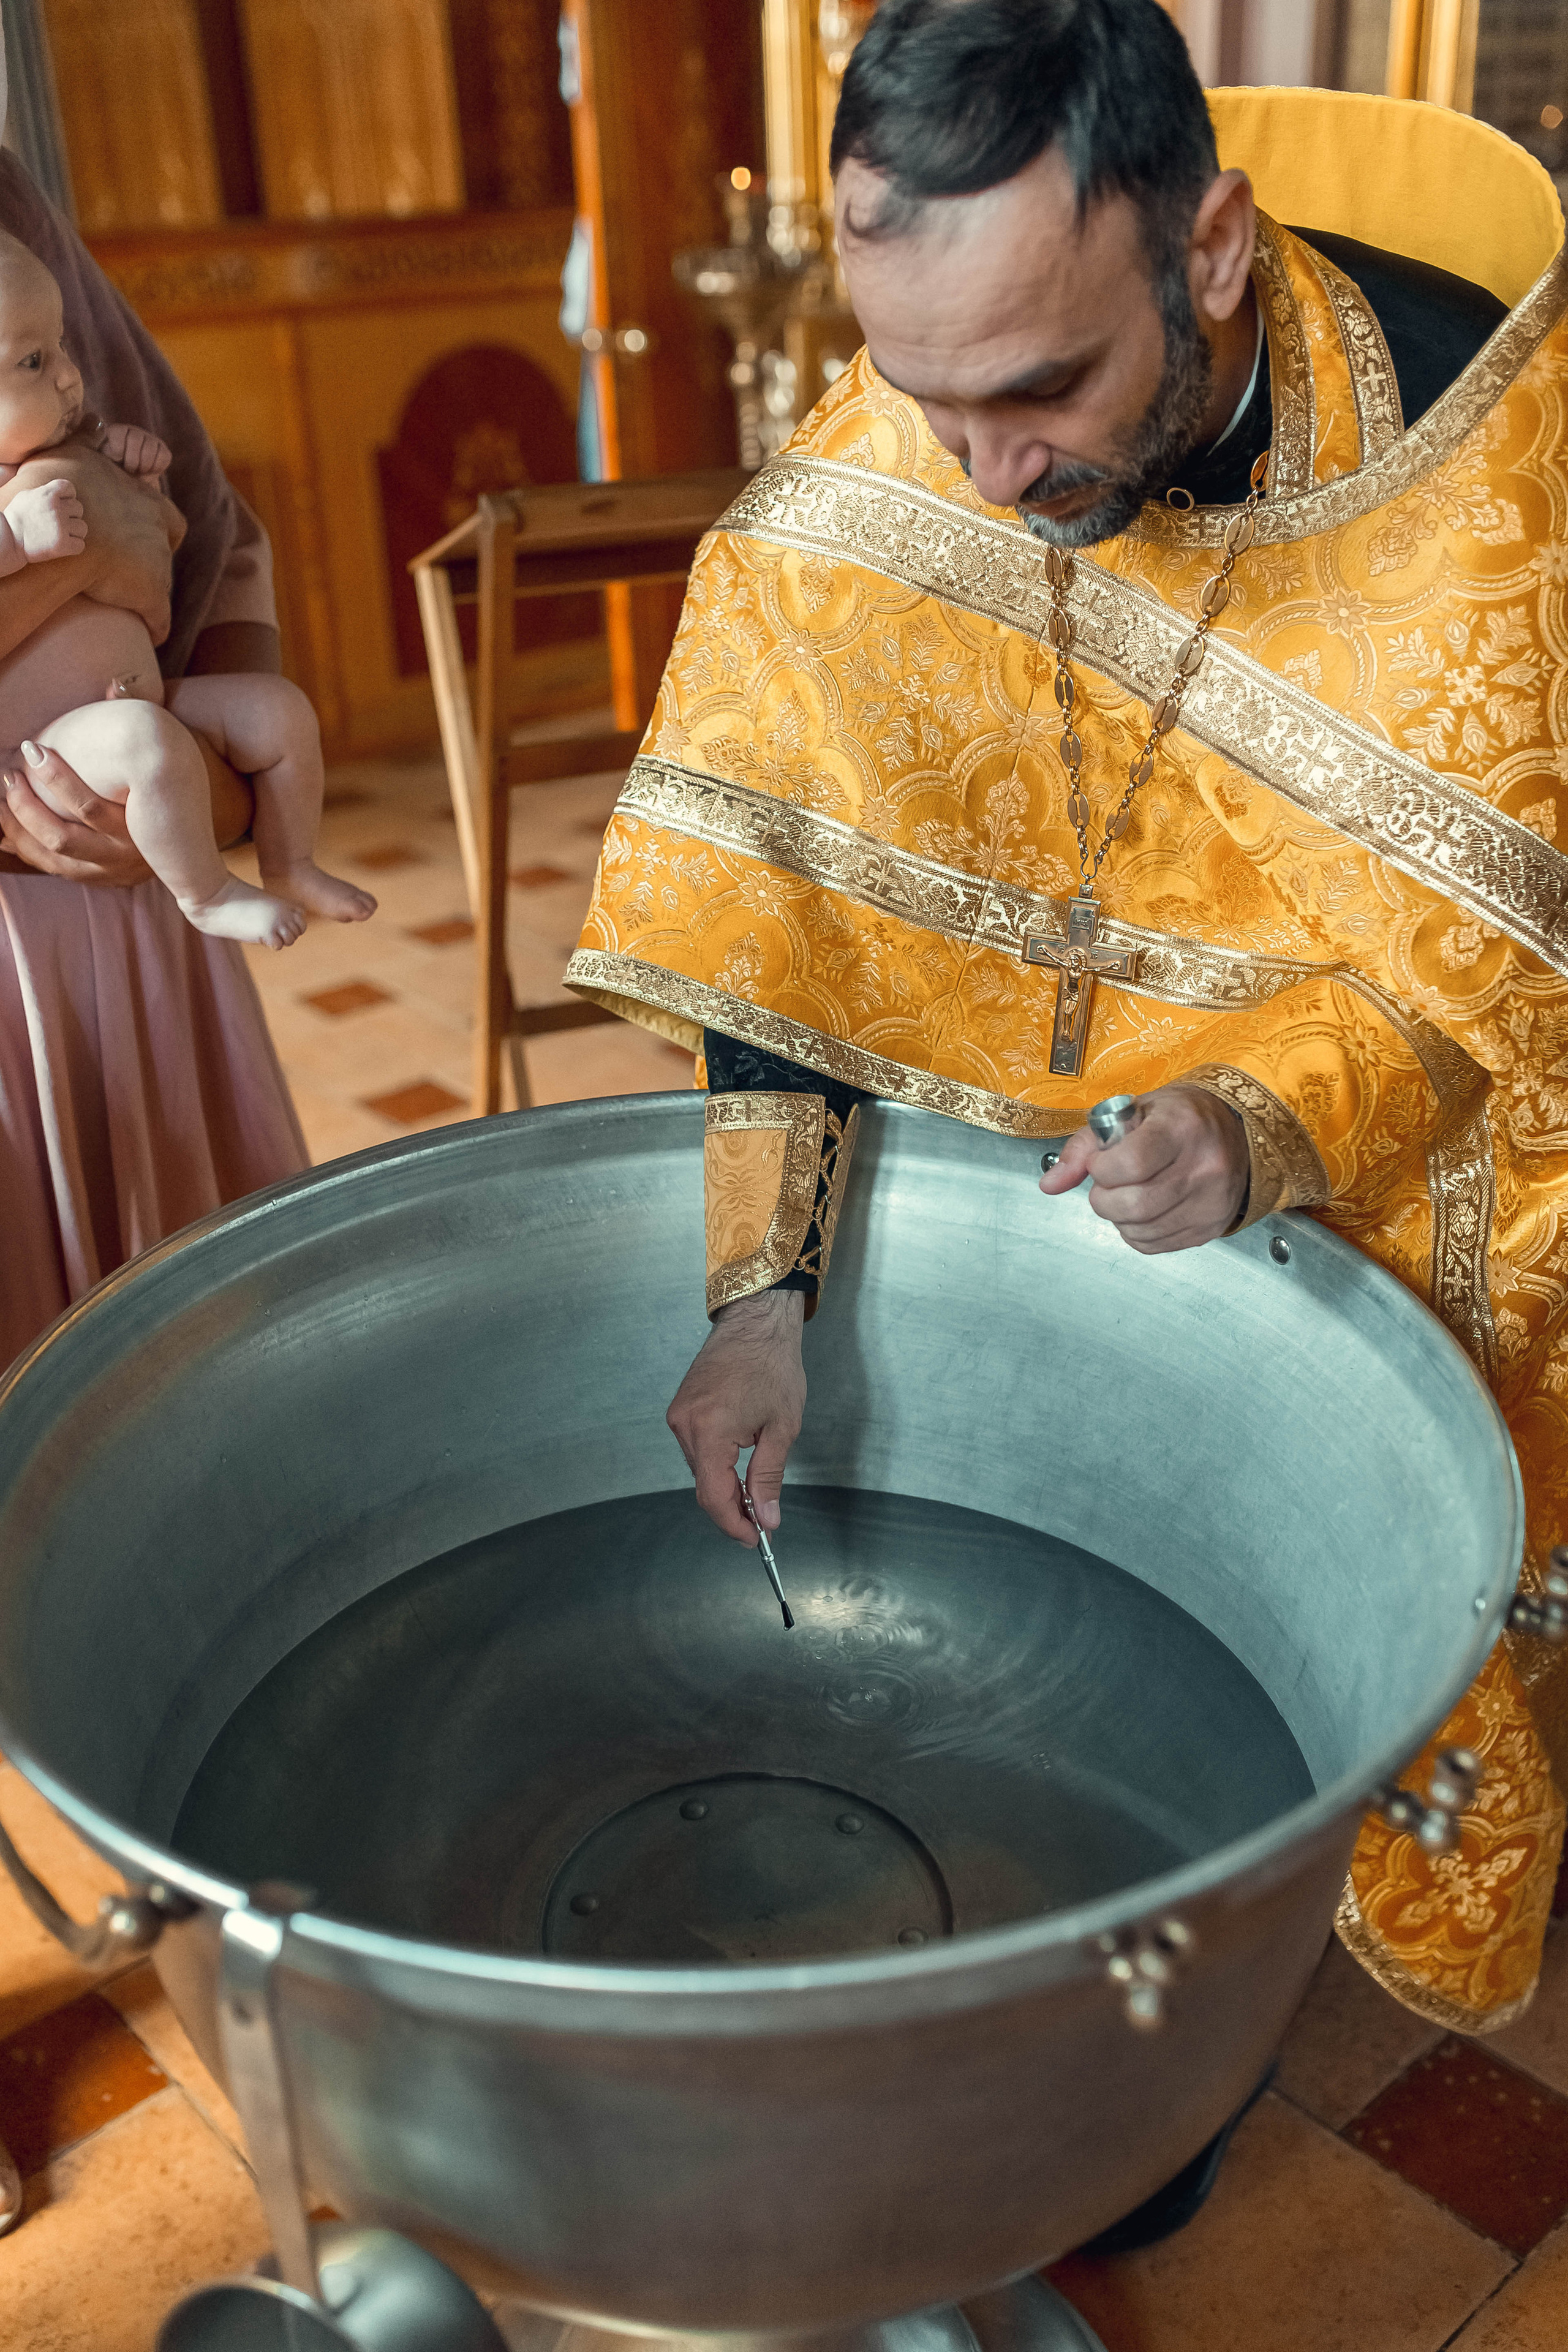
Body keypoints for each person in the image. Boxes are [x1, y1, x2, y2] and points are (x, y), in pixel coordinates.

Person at [567, 0, 1568, 2046]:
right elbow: (786, 900)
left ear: (1213, 249)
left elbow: (1507, 988)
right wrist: (762, 1298)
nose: (990, 477)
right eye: (926, 396)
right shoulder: (920, 433)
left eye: (1041, 390)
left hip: (1365, 1189)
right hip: (1013, 1199)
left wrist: (1261, 1120)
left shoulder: (1492, 476)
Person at [0, 145, 307, 1371]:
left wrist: (209, 786)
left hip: (132, 918)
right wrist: (80, 556)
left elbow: (213, 536)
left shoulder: (7, 200)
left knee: (190, 1367)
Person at [0, 235, 374, 949]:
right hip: (46, 745)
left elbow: (160, 534)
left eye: (61, 345)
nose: (71, 377)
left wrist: (134, 477)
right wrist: (15, 539)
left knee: (280, 711)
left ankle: (290, 863)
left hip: (140, 697)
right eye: (33, 362)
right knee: (148, 744)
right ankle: (205, 894)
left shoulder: (67, 447)